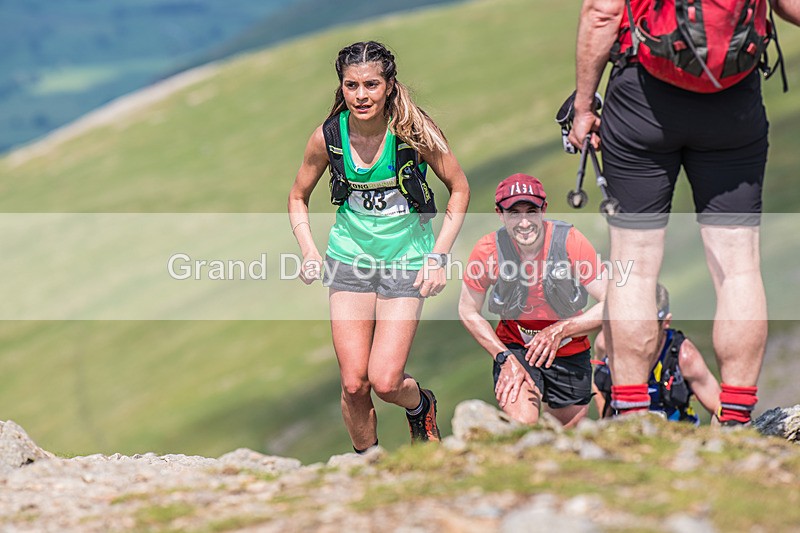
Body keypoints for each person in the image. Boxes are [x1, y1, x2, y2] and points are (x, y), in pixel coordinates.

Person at [569, 0, 800, 424]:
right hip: (733, 100)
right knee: (739, 266)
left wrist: (584, 106)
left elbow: (601, 13)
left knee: (635, 265)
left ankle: (634, 417)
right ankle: (735, 418)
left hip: (642, 96)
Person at [288, 41, 469, 453]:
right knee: (354, 384)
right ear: (341, 87)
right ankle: (368, 465)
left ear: (389, 86)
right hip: (349, 259)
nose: (361, 95)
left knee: (386, 382)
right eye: (351, 85)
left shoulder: (414, 132)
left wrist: (438, 256)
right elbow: (298, 196)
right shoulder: (328, 137)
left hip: (407, 261)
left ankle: (421, 405)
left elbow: (459, 189)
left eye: (371, 84)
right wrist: (309, 250)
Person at [458, 173, 607, 428]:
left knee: (565, 433)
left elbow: (611, 303)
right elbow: (467, 310)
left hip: (569, 348)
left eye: (531, 211)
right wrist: (503, 358)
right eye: (514, 213)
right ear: (500, 213)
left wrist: (560, 330)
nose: (524, 222)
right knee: (524, 425)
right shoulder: (488, 250)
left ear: (544, 210)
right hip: (516, 349)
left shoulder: (569, 241)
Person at [593, 284, 721, 422]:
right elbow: (598, 384)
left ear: (666, 322)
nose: (638, 334)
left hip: (676, 432)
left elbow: (719, 409)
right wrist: (606, 423)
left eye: (647, 326)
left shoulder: (684, 356)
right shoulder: (606, 344)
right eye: (632, 324)